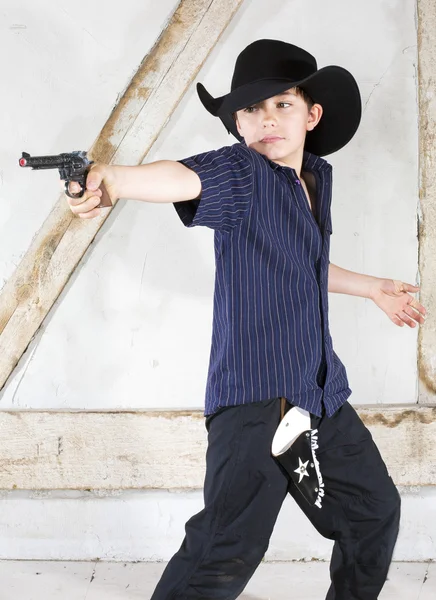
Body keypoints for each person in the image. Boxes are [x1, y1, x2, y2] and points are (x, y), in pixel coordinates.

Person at [65, 39, 426, 600]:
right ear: (236, 126)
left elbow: (302, 261)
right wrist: (110, 178)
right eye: (250, 111)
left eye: (281, 104)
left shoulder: (314, 179)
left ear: (312, 114)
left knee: (373, 513)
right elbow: (179, 177)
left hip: (317, 390)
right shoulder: (240, 173)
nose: (265, 121)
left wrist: (372, 287)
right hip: (256, 399)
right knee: (225, 550)